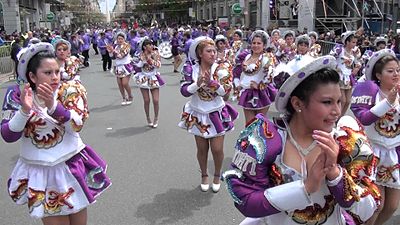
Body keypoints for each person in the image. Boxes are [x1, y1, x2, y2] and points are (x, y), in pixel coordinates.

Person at [223, 55, 380, 225]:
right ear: (297, 104)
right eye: (327, 102)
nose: (337, 111)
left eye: (339, 101)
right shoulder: (264, 138)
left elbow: (368, 209)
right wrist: (305, 187)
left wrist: (336, 175)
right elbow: (246, 202)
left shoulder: (347, 140)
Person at [0, 42, 111, 224]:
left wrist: (53, 106)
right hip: (40, 170)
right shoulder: (18, 94)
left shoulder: (69, 90)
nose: (55, 77)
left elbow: (77, 125)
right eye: (48, 73)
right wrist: (24, 111)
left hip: (69, 165)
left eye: (57, 72)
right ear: (32, 76)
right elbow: (8, 135)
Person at [178, 36, 238, 193]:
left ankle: (217, 175)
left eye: (214, 51)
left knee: (217, 149)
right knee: (202, 148)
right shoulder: (191, 69)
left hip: (216, 112)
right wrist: (196, 84)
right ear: (200, 54)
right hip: (198, 112)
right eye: (209, 51)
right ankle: (204, 175)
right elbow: (184, 91)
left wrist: (213, 83)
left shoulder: (221, 68)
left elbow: (226, 91)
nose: (213, 54)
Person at [351, 49, 400, 225]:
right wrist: (388, 102)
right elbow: (363, 118)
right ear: (378, 74)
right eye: (390, 71)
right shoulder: (370, 89)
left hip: (394, 153)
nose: (395, 74)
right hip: (373, 152)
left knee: (392, 206)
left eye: (397, 70)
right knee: (376, 204)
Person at [233, 30, 277, 125]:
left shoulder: (266, 58)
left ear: (264, 45)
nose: (256, 45)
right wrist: (238, 84)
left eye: (259, 43)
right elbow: (236, 72)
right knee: (249, 125)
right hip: (247, 92)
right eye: (254, 43)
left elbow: (271, 73)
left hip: (261, 93)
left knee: (259, 124)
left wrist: (260, 85)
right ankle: (247, 140)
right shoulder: (246, 57)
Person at [133, 38, 165, 128]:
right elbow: (136, 65)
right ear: (144, 47)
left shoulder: (155, 54)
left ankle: (156, 118)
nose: (151, 46)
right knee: (146, 100)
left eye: (152, 44)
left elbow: (158, 65)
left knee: (156, 100)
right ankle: (148, 118)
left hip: (153, 77)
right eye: (149, 45)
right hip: (143, 77)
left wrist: (150, 60)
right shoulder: (140, 55)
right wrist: (140, 62)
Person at [330, 31, 361, 116]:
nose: (355, 44)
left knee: (348, 101)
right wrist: (335, 68)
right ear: (347, 42)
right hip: (339, 76)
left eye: (355, 42)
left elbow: (359, 61)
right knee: (342, 100)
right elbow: (331, 58)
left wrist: (357, 68)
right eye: (353, 42)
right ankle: (336, 117)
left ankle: (341, 117)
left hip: (349, 76)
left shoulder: (354, 52)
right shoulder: (340, 50)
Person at [107, 32, 134, 106]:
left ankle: (130, 96)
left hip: (126, 66)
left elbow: (121, 56)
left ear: (124, 39)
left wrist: (113, 51)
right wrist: (110, 52)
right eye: (118, 39)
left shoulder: (127, 46)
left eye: (121, 39)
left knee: (125, 83)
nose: (120, 40)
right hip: (118, 67)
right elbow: (113, 57)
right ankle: (124, 98)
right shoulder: (115, 46)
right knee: (119, 84)